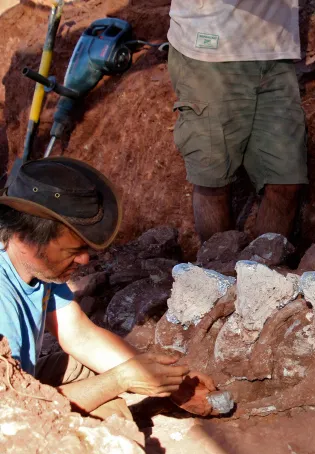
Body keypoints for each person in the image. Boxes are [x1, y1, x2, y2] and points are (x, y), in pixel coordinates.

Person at [0, 157, 195, 420]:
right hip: (11, 409)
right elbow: (14, 412)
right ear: (25, 239)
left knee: (95, 369)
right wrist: (121, 379)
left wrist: (170, 381)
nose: (84, 260)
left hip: (20, 380)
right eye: (74, 251)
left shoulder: (36, 268)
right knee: (112, 418)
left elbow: (79, 334)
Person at [167, 0, 307, 242]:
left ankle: (264, 273)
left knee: (286, 181)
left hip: (274, 52)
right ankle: (219, 272)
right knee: (213, 182)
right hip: (209, 51)